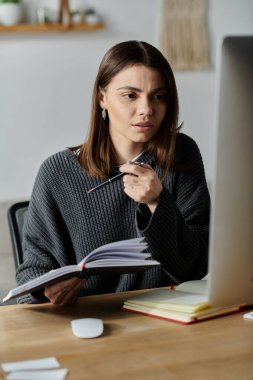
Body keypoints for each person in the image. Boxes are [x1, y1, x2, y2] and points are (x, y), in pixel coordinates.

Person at [16, 40, 210, 305]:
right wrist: (47, 290)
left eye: (158, 96)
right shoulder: (57, 173)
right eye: (130, 95)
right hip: (86, 321)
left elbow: (194, 270)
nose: (146, 110)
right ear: (102, 98)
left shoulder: (181, 156)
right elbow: (31, 275)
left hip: (164, 321)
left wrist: (158, 203)